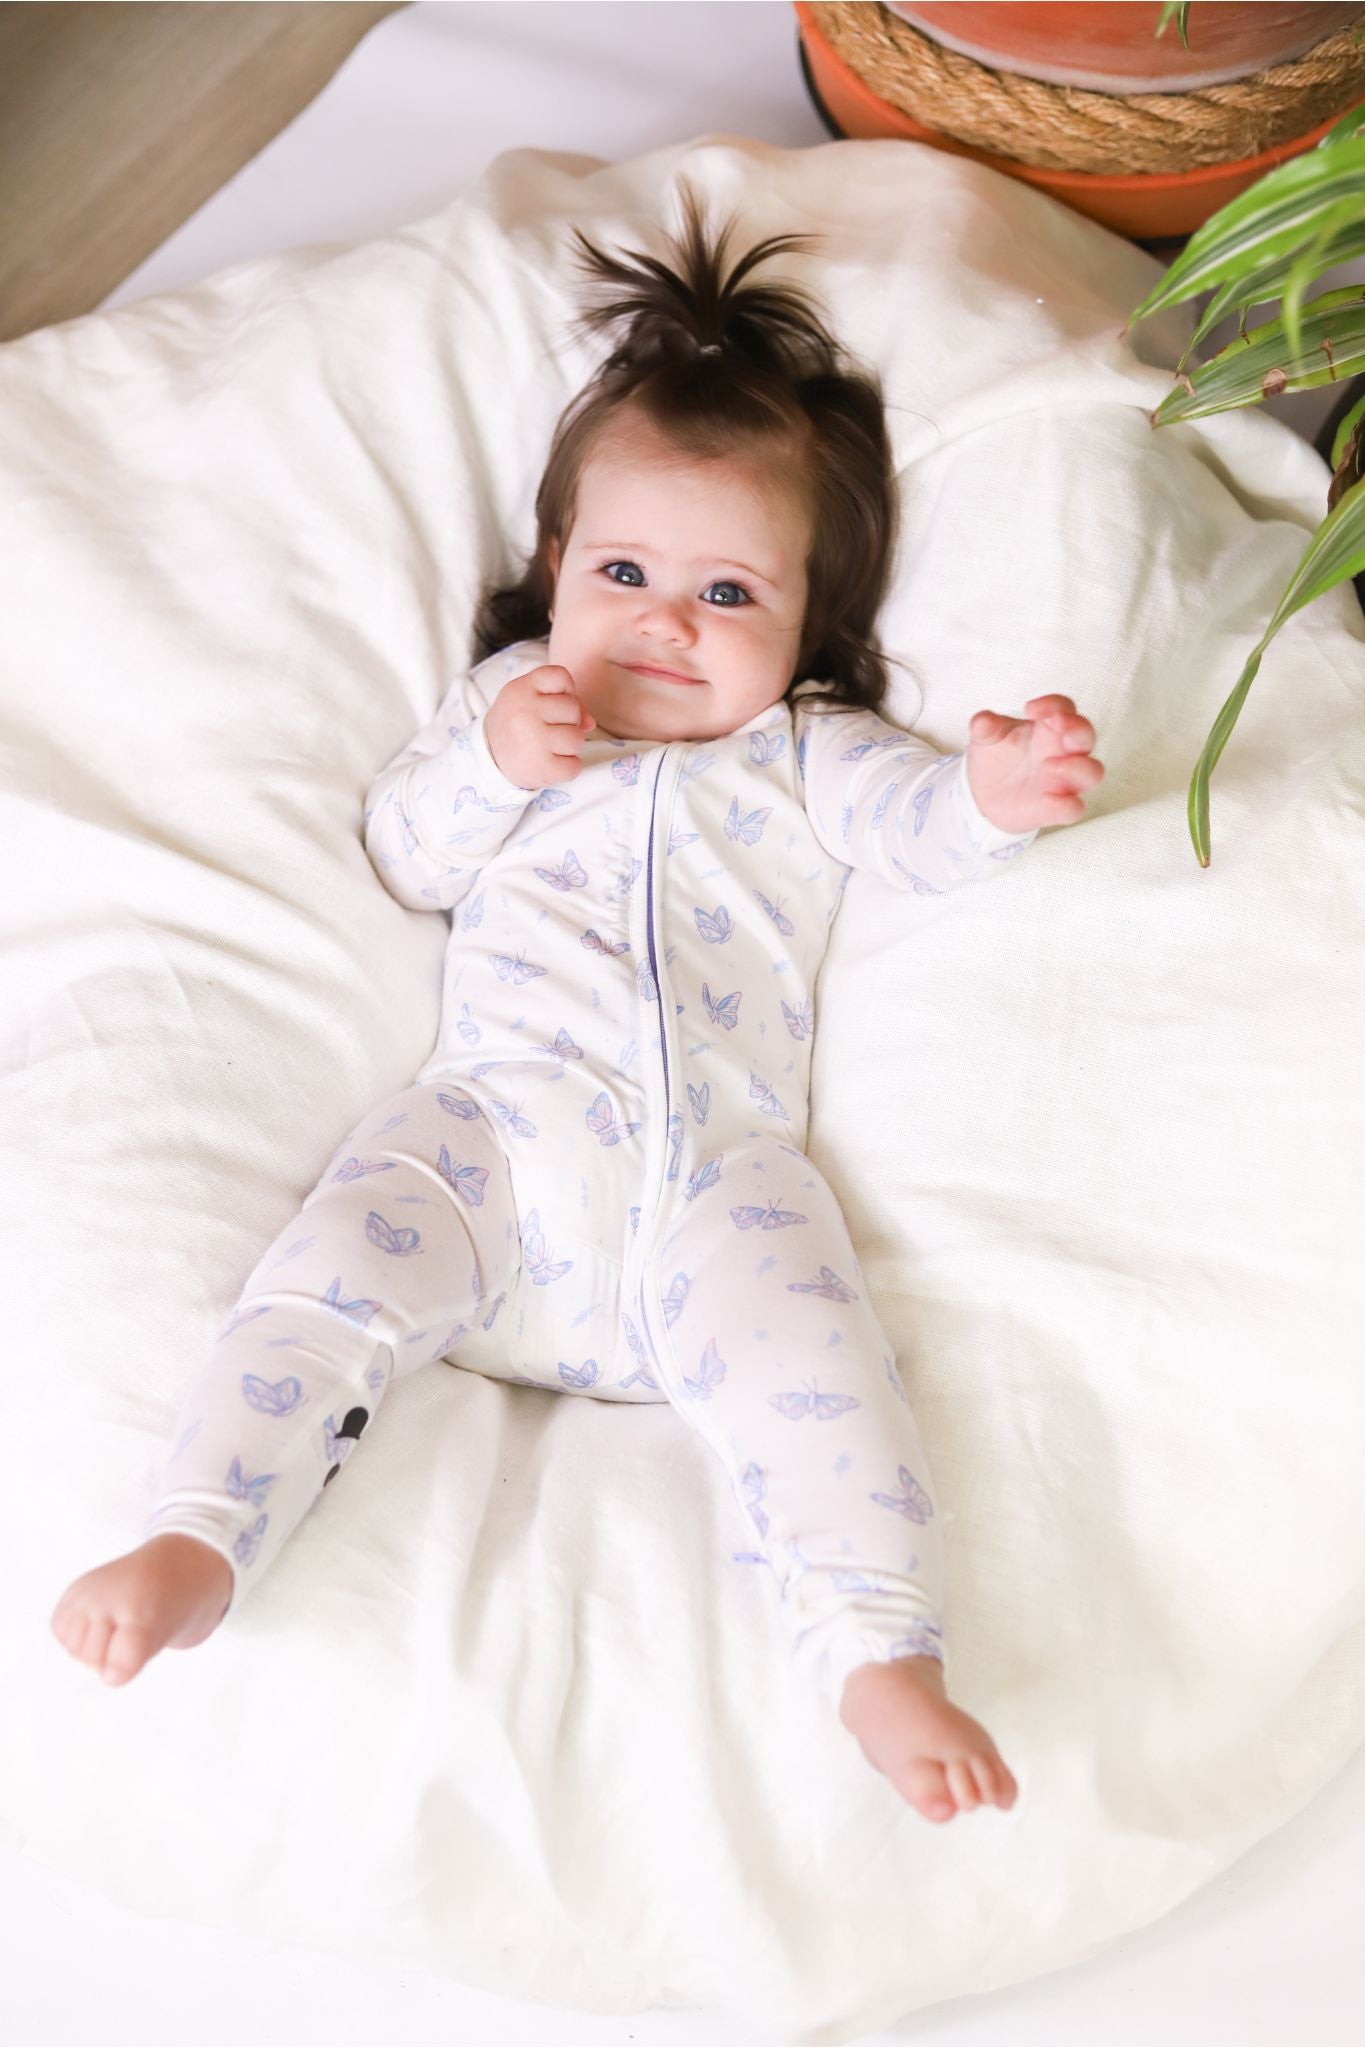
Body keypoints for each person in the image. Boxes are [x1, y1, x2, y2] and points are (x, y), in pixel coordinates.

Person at [51, 183, 1103, 1826]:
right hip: (489, 1135)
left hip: (719, 1184)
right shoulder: (514, 708)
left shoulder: (806, 753)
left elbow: (917, 832)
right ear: (555, 570)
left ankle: (876, 1653)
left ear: (808, 628)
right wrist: (492, 765)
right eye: (623, 570)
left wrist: (992, 790)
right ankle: (200, 1533)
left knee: (822, 1384)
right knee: (318, 1294)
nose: (666, 622)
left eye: (729, 596)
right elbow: (406, 852)